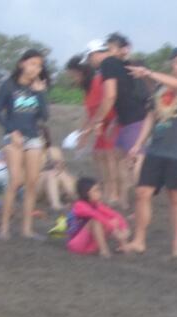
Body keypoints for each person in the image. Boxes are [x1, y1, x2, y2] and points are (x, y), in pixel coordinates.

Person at [121, 47, 177, 258]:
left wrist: (148, 74)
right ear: (171, 65)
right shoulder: (159, 88)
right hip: (156, 148)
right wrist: (138, 144)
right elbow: (151, 116)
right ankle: (139, 240)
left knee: (175, 197)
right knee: (142, 193)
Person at [86, 33, 149, 208]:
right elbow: (126, 95)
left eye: (110, 48)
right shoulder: (126, 65)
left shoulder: (109, 63)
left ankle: (140, 203)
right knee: (120, 158)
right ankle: (124, 201)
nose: (107, 52)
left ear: (123, 49)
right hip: (130, 118)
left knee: (135, 160)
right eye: (107, 48)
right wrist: (115, 121)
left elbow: (110, 96)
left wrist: (97, 120)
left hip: (132, 119)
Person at [0, 49, 49, 240]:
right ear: (22, 64)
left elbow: (44, 116)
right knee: (15, 181)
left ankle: (27, 229)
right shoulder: (8, 85)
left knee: (32, 182)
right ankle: (4, 227)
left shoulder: (38, 87)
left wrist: (41, 94)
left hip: (33, 137)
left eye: (39, 65)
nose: (36, 68)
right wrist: (11, 130)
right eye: (32, 63)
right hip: (13, 137)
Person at [69, 42, 120, 205]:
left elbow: (105, 105)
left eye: (74, 75)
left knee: (109, 157)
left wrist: (89, 130)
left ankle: (114, 192)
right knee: (99, 156)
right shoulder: (87, 89)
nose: (73, 79)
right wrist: (83, 133)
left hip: (110, 123)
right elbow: (88, 113)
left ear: (81, 72)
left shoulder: (98, 81)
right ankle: (106, 190)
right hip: (99, 125)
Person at [66, 176, 129, 257]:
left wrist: (124, 228)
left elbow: (115, 215)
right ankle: (104, 251)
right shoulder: (79, 205)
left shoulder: (97, 205)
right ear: (86, 193)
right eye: (96, 190)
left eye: (99, 190)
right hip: (76, 245)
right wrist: (114, 231)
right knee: (96, 221)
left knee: (113, 219)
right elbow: (96, 216)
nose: (100, 193)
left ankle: (124, 246)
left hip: (90, 245)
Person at [38, 127, 76, 211]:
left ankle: (74, 198)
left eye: (42, 137)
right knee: (51, 173)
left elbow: (64, 171)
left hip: (54, 184)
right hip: (37, 187)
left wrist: (60, 166)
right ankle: (56, 204)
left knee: (61, 173)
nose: (40, 140)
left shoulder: (54, 151)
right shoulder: (30, 154)